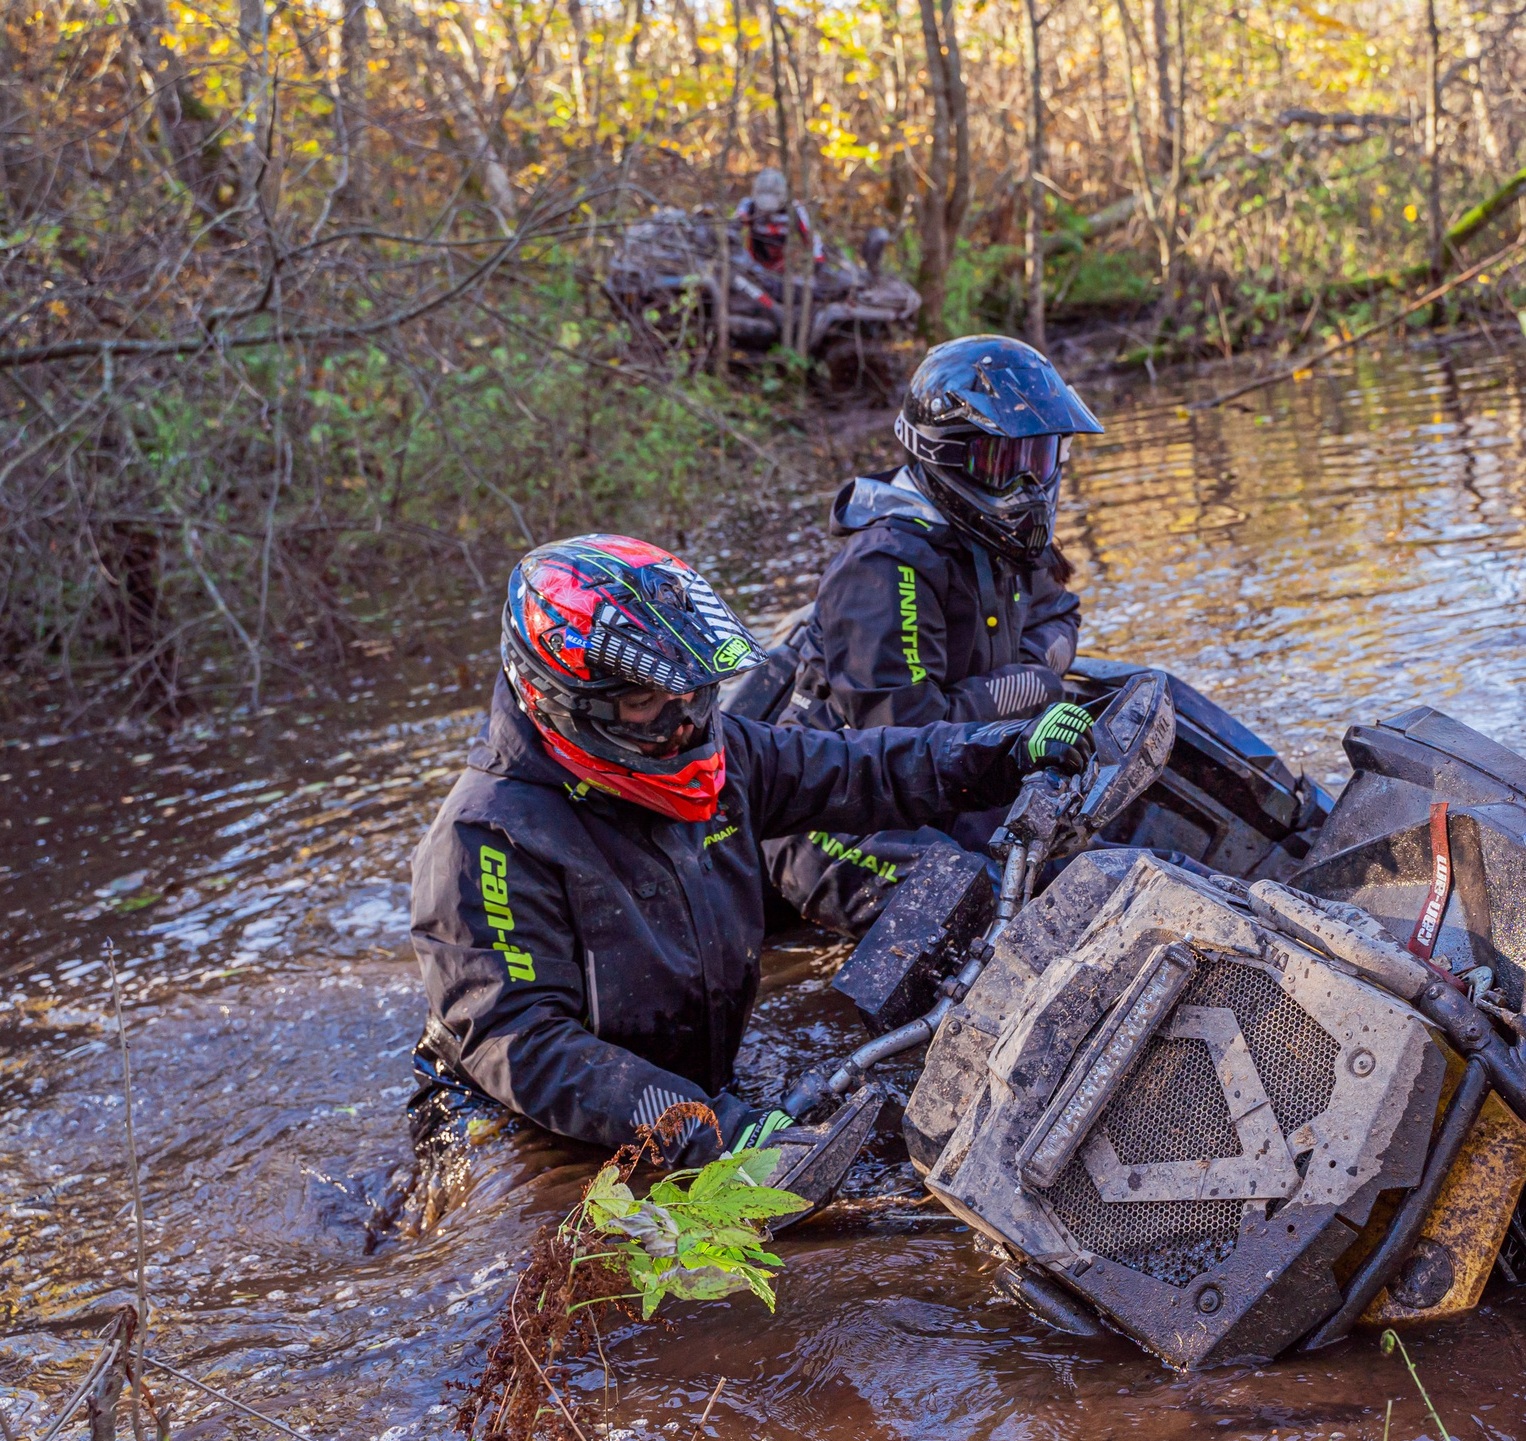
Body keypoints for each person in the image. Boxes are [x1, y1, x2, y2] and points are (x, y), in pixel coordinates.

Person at [406, 534, 1094, 1207]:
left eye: (691, 691)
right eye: (644, 702)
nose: (683, 721)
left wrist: (1000, 752)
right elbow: (523, 1042)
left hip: (686, 1089)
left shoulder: (715, 751)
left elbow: (857, 768)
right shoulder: (485, 837)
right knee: (579, 1252)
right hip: (515, 1124)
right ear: (561, 702)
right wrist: (708, 1128)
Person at [763, 334, 1105, 934]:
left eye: (1041, 458)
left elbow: (1060, 614)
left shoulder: (1004, 534)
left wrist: (1022, 677)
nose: (1028, 483)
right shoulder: (883, 565)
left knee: (1094, 861)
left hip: (967, 766)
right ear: (947, 456)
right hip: (838, 809)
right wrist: (1025, 689)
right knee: (992, 910)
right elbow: (908, 732)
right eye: (1005, 463)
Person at [735, 167, 822, 275]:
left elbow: (810, 236)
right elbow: (733, 228)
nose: (768, 201)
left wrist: (817, 258)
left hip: (784, 270)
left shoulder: (794, 208)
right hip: (752, 267)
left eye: (773, 195)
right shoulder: (748, 205)